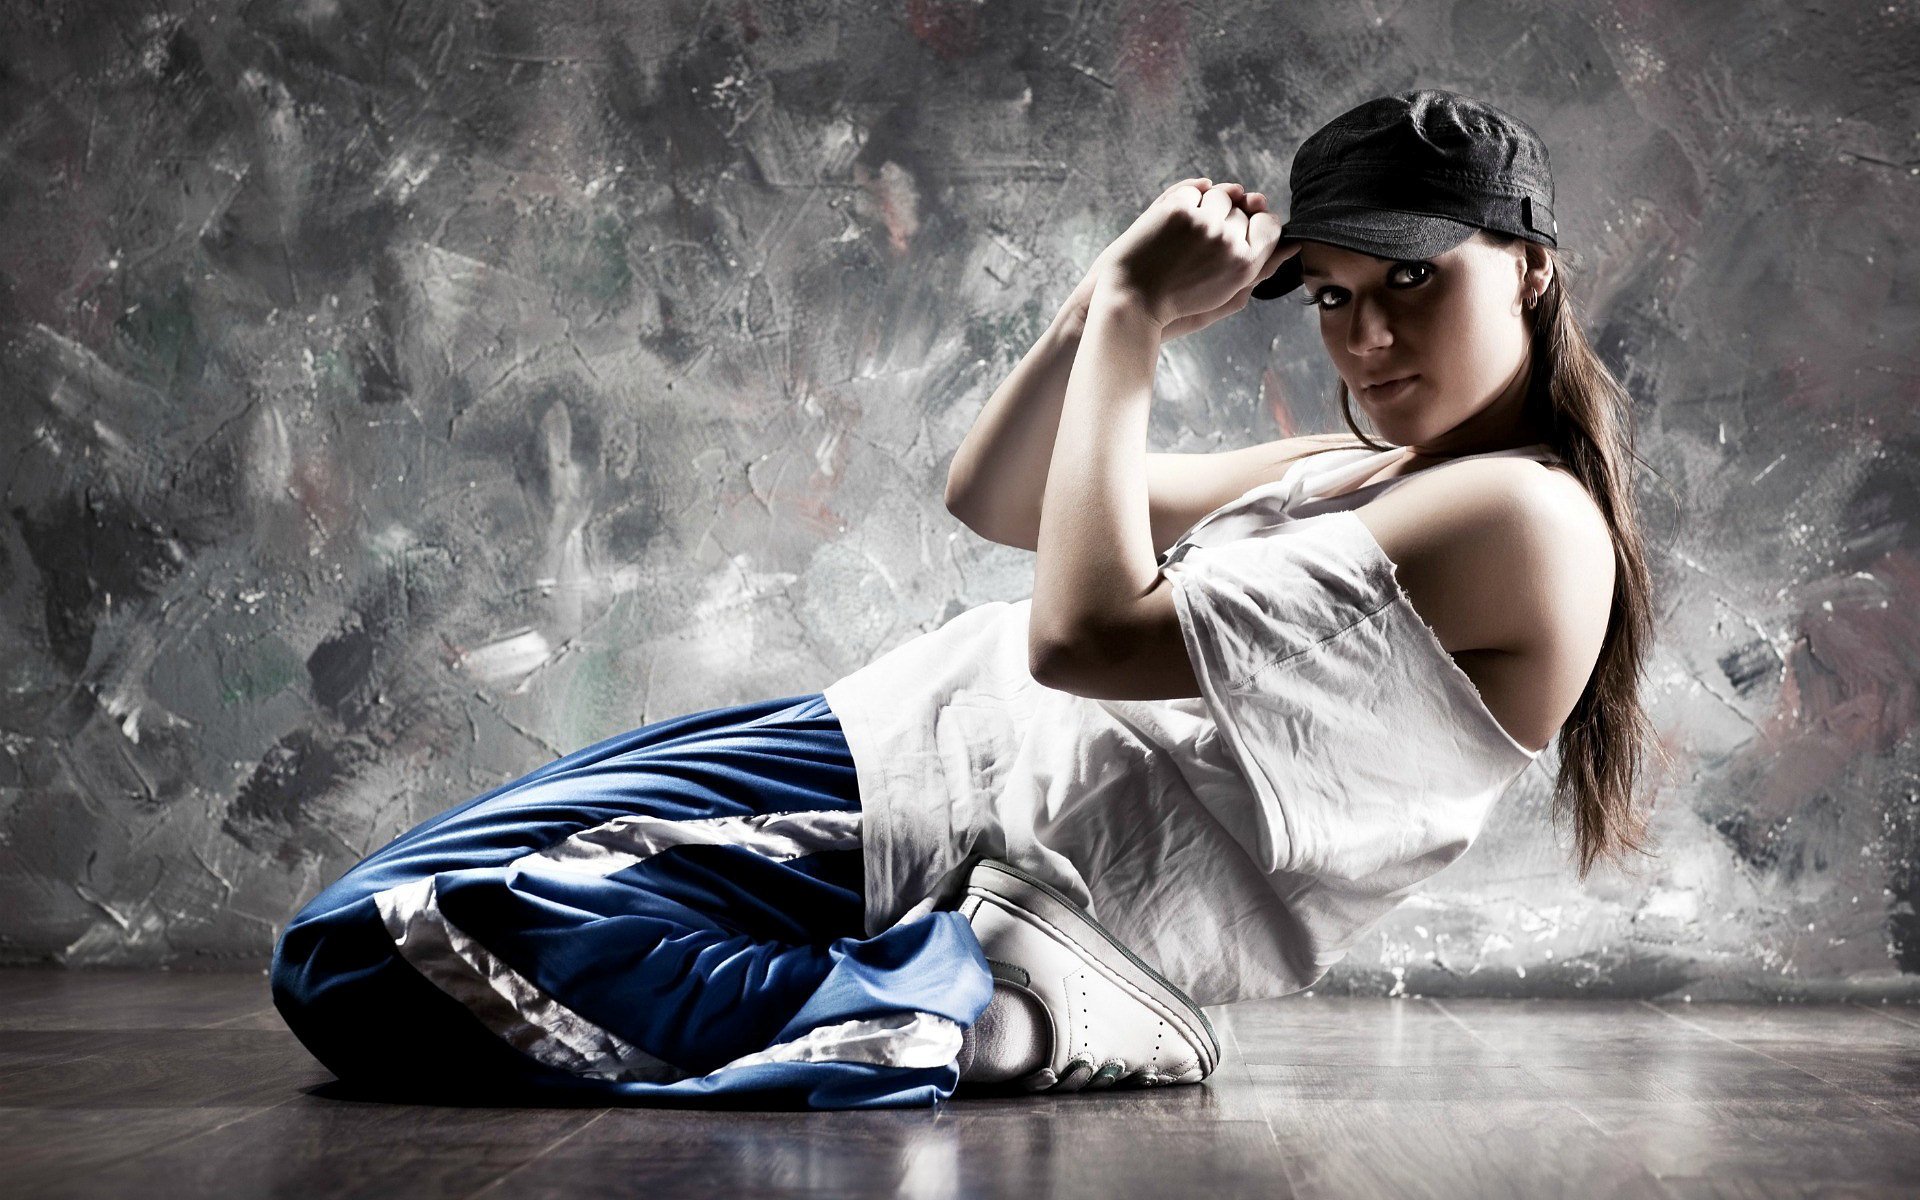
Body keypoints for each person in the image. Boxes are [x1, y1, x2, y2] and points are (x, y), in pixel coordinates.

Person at [271, 89, 1664, 1110]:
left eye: (1413, 279)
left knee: (363, 956)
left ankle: (927, 1008)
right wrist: (1101, 299)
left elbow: (1084, 637)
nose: (1365, 335)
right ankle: (987, 1008)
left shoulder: (1524, 516)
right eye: (1332, 297)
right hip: (891, 741)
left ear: (1530, 267)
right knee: (369, 933)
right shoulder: (1363, 469)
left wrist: (1129, 326)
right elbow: (1002, 497)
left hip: (962, 820)